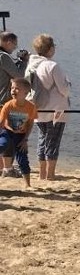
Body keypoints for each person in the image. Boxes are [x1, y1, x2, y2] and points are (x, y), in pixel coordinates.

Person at [27, 34, 71, 181]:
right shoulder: (52, 66)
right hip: (55, 110)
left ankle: (42, 174)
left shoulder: (32, 64)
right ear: (50, 49)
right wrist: (68, 84)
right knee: (53, 141)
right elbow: (64, 90)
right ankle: (50, 175)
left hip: (38, 108)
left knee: (42, 140)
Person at [0, 31, 30, 172]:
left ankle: (4, 168)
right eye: (14, 44)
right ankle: (7, 168)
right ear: (8, 42)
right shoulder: (4, 57)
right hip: (5, 103)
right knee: (10, 137)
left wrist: (17, 62)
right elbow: (19, 78)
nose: (15, 47)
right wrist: (23, 62)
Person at [0, 78, 37, 187]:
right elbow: (1, 123)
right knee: (2, 144)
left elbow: (30, 123)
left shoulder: (30, 107)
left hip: (21, 135)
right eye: (12, 88)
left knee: (23, 159)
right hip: (6, 132)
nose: (13, 91)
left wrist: (25, 139)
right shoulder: (8, 105)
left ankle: (28, 185)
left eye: (17, 89)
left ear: (26, 93)